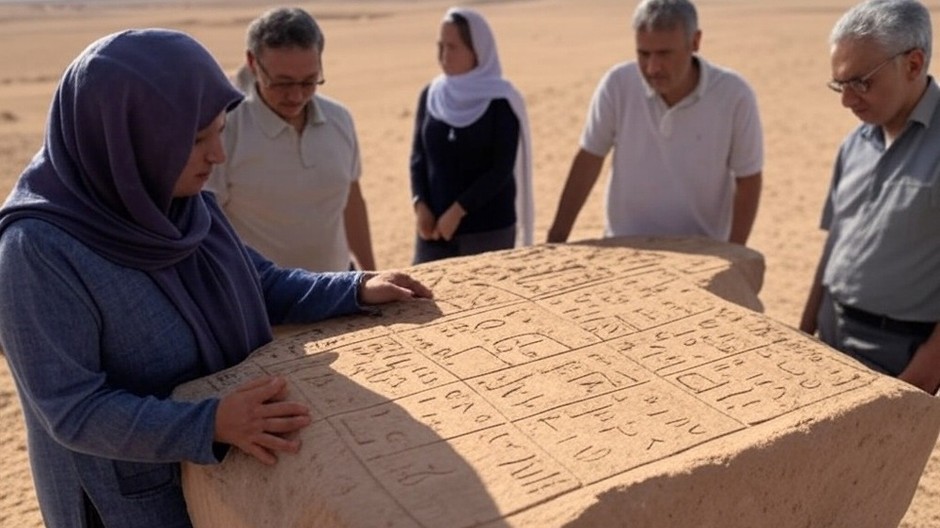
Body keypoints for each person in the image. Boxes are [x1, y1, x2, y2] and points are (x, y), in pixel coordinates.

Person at [0, 29, 431, 527]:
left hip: (231, 482)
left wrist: (354, 289)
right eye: (196, 139)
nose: (217, 155)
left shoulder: (180, 199)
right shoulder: (36, 253)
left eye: (219, 131)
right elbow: (73, 411)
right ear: (129, 138)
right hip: (132, 505)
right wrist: (210, 422)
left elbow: (259, 283)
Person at [799, 0, 940, 394]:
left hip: (900, 355)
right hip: (829, 336)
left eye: (861, 82)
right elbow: (834, 244)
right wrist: (804, 331)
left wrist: (922, 375)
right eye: (840, 85)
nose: (847, 100)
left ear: (913, 64)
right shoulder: (852, 144)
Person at [546, 0, 763, 246]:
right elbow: (590, 158)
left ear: (695, 42)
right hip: (624, 247)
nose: (652, 68)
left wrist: (734, 252)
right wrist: (556, 239)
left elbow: (748, 179)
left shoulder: (734, 95)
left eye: (664, 54)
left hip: (703, 250)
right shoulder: (618, 85)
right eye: (643, 54)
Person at [206, 7, 376, 272]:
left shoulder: (340, 119)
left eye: (309, 81)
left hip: (343, 289)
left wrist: (370, 273)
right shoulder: (224, 129)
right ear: (253, 64)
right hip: (265, 302)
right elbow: (208, 226)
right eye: (283, 83)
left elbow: (351, 202)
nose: (296, 96)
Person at [409, 6, 534, 264]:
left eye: (452, 47)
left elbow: (501, 169)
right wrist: (420, 204)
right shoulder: (431, 95)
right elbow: (418, 158)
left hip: (488, 231)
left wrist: (457, 212)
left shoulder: (501, 101)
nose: (443, 55)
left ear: (477, 50)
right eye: (440, 46)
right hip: (434, 232)